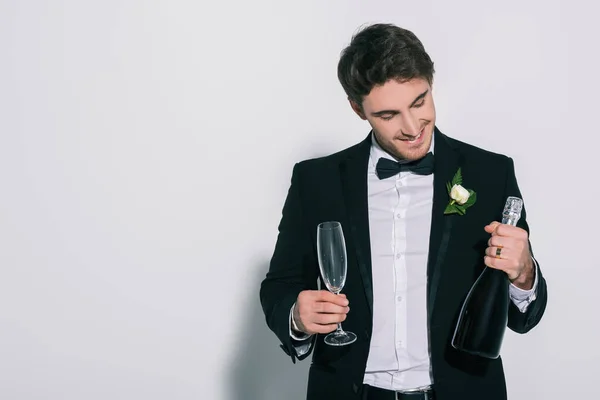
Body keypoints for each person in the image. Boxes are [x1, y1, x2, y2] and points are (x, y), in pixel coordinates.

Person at [259, 23, 547, 400]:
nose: (412, 128)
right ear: (357, 109)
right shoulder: (317, 181)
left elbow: (525, 316)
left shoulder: (491, 173)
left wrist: (524, 272)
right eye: (388, 115)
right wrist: (296, 316)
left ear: (431, 83)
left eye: (419, 102)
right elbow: (280, 284)